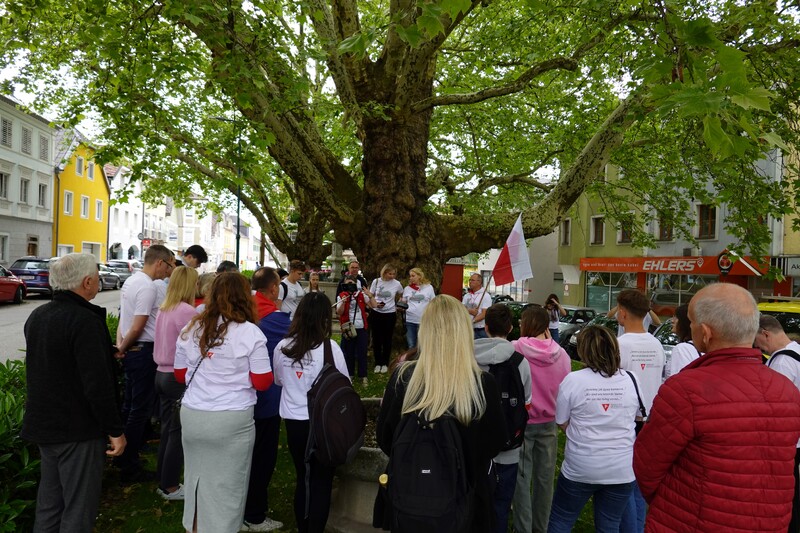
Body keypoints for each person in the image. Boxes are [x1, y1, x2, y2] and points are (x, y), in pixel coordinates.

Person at [634, 283, 800, 532]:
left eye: (691, 322)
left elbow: (647, 466)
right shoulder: (786, 390)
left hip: (691, 520)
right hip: (769, 522)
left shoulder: (686, 390)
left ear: (705, 332)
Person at [376, 295, 506, 532]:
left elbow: (386, 438)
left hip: (410, 498)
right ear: (464, 332)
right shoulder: (483, 384)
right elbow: (494, 443)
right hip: (467, 502)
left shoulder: (403, 379)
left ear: (425, 331)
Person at [21, 254, 126, 532]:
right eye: (97, 276)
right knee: (78, 508)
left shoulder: (39, 315)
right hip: (77, 429)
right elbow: (97, 385)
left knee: (50, 504)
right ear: (87, 282)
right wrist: (115, 430)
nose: (99, 281)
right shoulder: (84, 320)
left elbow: (54, 362)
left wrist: (104, 353)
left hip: (45, 425)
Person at [175, 272, 273, 533]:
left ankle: (195, 528)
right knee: (228, 487)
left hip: (194, 415)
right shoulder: (250, 333)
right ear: (246, 297)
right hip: (231, 418)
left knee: (196, 481)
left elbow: (179, 374)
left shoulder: (190, 328)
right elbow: (263, 381)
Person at [548, 326, 641, 533]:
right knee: (609, 525)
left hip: (581, 465)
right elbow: (638, 416)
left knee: (561, 520)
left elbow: (561, 420)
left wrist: (581, 433)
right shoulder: (631, 379)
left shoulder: (574, 380)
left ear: (583, 350)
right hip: (621, 468)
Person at [273, 292, 350, 533]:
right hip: (324, 423)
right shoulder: (330, 348)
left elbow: (278, 380)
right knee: (322, 480)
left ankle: (304, 527)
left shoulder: (282, 346)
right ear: (324, 318)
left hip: (295, 422)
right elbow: (346, 385)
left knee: (304, 477)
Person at [114, 244, 175, 483]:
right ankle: (129, 464)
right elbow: (138, 325)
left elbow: (124, 319)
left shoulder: (131, 281)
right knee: (139, 410)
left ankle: (124, 454)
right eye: (169, 265)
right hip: (143, 351)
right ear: (159, 262)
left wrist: (121, 345)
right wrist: (122, 347)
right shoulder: (148, 286)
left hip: (133, 349)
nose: (169, 271)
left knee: (130, 406)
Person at [473, 304, 532, 533]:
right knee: (501, 505)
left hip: (474, 446)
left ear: (486, 327)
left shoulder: (468, 358)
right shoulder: (520, 362)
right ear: (510, 328)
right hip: (508, 447)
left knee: (474, 503)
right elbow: (527, 403)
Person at [512, 306, 571, 533]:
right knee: (545, 480)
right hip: (549, 423)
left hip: (523, 423)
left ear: (526, 324)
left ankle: (523, 528)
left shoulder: (516, 348)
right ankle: (541, 527)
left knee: (522, 479)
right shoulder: (563, 355)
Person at [242, 267, 290, 532]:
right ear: (274, 289)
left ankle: (238, 509)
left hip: (236, 399)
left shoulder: (239, 313)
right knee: (262, 457)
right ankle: (254, 514)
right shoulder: (277, 320)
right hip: (266, 398)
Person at [614, 288, 664, 532]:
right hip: (651, 419)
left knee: (625, 483)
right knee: (639, 483)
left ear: (623, 313)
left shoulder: (620, 344)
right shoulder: (657, 344)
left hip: (626, 420)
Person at [152, 266, 199, 501]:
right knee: (177, 433)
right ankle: (169, 485)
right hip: (176, 376)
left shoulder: (165, 309)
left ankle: (163, 478)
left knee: (168, 429)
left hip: (161, 374)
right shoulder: (187, 311)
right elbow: (198, 344)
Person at [755, 314, 800, 533]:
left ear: (765, 334)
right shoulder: (797, 351)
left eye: (757, 341)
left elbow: (774, 406)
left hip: (787, 439)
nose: (757, 347)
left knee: (785, 493)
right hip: (797, 436)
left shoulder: (781, 362)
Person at [337, 273, 376, 384]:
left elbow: (374, 305)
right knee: (349, 352)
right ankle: (350, 374)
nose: (349, 286)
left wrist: (370, 295)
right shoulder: (342, 296)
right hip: (348, 327)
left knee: (362, 352)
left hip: (361, 327)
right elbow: (339, 312)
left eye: (352, 283)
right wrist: (343, 302)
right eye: (347, 284)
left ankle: (363, 375)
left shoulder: (361, 295)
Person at [369, 264, 404, 373]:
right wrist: (375, 304)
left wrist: (399, 304)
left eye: (394, 274)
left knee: (387, 339)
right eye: (390, 274)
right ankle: (377, 363)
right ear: (384, 273)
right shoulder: (376, 282)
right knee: (376, 339)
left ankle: (385, 363)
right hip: (376, 313)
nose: (392, 276)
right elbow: (370, 295)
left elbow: (402, 294)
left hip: (390, 314)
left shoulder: (397, 284)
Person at [663, 303, 700, 380]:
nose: (672, 321)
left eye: (676, 317)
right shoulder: (700, 347)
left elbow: (678, 381)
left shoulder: (682, 349)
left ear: (684, 322)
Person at [401, 267, 435, 348]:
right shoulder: (407, 289)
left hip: (424, 320)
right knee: (411, 345)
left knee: (423, 345)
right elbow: (404, 302)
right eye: (410, 276)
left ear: (420, 276)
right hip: (410, 320)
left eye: (413, 276)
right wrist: (401, 304)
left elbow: (433, 302)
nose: (411, 278)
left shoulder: (428, 287)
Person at [462, 272, 492, 339]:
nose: (470, 282)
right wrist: (470, 311)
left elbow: (484, 314)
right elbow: (461, 309)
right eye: (470, 280)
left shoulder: (486, 296)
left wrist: (472, 321)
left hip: (480, 330)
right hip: (468, 328)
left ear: (479, 282)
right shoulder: (467, 296)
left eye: (472, 280)